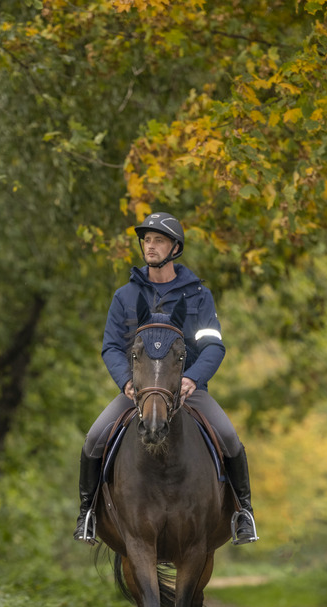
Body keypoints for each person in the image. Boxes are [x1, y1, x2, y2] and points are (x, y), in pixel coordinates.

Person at [74, 211, 259, 545]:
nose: (150, 246)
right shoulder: (124, 297)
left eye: (158, 240)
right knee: (93, 439)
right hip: (138, 391)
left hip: (188, 390)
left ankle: (243, 513)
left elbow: (214, 347)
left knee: (230, 438)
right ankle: (87, 514)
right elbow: (112, 347)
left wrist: (192, 379)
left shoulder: (198, 295)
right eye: (146, 240)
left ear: (175, 247)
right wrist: (126, 382)